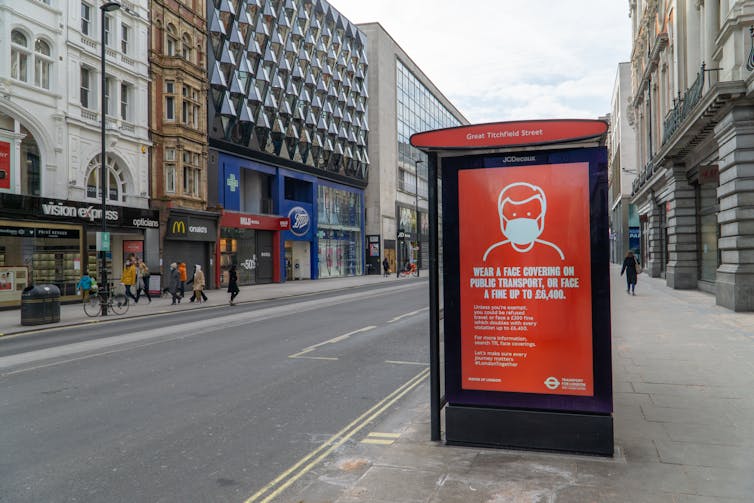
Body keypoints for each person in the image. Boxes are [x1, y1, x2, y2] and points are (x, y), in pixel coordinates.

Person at [483, 182, 565, 262]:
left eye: (529, 214)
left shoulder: (553, 253)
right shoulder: (493, 254)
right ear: (502, 218)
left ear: (541, 216)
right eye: (513, 215)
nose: (521, 221)